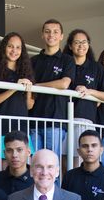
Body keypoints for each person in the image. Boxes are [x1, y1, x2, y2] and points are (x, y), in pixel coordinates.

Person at [29, 19, 75, 155]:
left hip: (56, 121)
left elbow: (64, 83)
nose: (51, 35)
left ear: (61, 36)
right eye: (47, 32)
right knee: (35, 163)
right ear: (42, 35)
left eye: (55, 32)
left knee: (51, 164)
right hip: (34, 120)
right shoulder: (33, 61)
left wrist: (37, 86)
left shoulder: (67, 60)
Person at [63, 29, 104, 136]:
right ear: (70, 46)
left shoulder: (96, 67)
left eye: (84, 42)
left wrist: (90, 91)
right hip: (62, 117)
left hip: (85, 118)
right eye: (76, 42)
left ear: (88, 45)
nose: (81, 46)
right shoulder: (64, 64)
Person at [0, 32, 35, 140]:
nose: (14, 51)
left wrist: (28, 90)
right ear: (4, 48)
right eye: (10, 46)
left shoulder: (27, 73)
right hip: (0, 128)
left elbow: (29, 106)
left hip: (21, 128)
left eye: (18, 47)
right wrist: (14, 88)